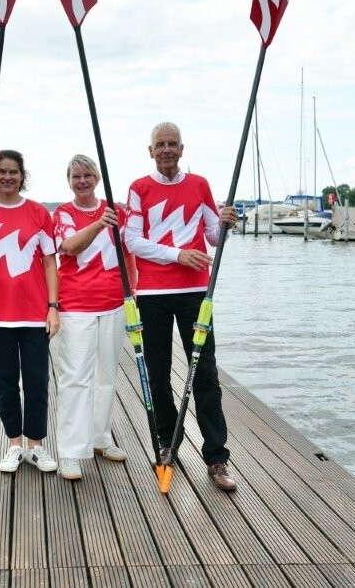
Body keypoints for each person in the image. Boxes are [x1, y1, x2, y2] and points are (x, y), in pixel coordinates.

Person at [123, 121, 240, 492]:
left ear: (182, 149)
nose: (167, 149)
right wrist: (178, 255)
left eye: (173, 144)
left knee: (204, 374)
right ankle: (166, 443)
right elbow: (133, 240)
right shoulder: (139, 188)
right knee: (158, 374)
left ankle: (217, 458)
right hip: (153, 294)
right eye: (161, 144)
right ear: (151, 150)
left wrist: (226, 224)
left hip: (194, 293)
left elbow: (210, 236)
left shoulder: (200, 185)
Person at [0, 150, 60, 474]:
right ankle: (14, 444)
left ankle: (35, 446)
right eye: (1, 171)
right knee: (4, 383)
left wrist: (53, 307)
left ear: (22, 176)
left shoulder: (38, 213)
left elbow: (50, 262)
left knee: (37, 381)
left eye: (14, 172)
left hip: (34, 313)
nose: (7, 177)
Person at [51, 154, 135, 480]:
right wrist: (101, 222)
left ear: (97, 178)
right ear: (69, 181)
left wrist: (133, 295)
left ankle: (101, 436)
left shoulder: (119, 211)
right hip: (77, 306)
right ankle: (72, 451)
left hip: (114, 303)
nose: (82, 181)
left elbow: (129, 255)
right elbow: (69, 247)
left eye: (87, 175)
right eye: (76, 176)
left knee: (107, 376)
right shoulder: (63, 213)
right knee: (75, 379)